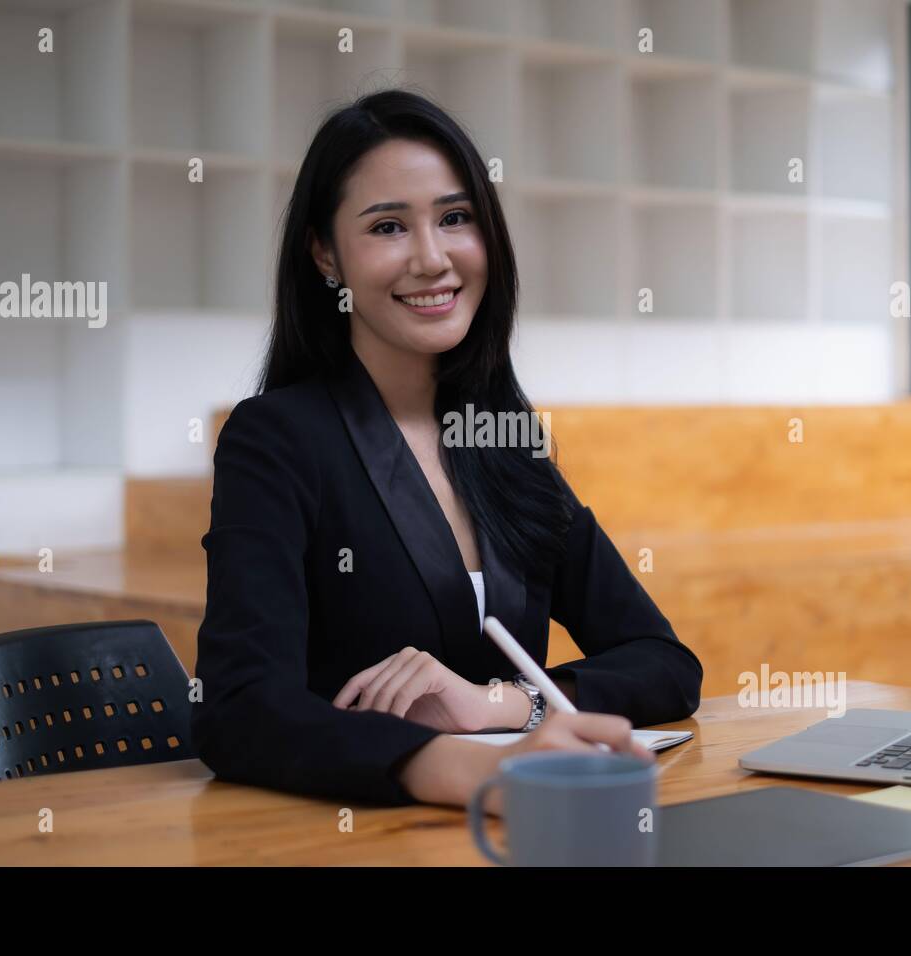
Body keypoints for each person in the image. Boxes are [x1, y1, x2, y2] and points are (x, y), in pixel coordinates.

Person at [190, 88, 703, 811]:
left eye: (455, 218)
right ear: (325, 255)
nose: (432, 259)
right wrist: (467, 772)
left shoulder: (503, 438)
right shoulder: (277, 439)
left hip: (518, 834)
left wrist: (494, 706)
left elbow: (668, 666)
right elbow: (238, 708)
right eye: (389, 227)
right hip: (343, 839)